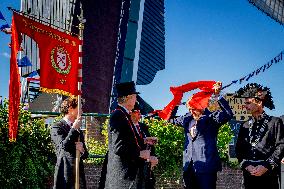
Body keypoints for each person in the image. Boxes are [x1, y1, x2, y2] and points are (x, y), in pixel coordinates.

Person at [168, 82, 234, 189]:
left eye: (193, 108)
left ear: (201, 106)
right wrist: (176, 101)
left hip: (207, 169)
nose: (191, 111)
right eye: (189, 108)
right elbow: (170, 118)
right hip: (188, 168)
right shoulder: (186, 119)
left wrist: (218, 95)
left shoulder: (212, 118)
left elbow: (228, 114)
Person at [235, 83, 284, 189]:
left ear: (258, 102)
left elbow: (281, 146)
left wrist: (266, 166)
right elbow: (239, 150)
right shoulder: (245, 125)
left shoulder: (275, 122)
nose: (245, 106)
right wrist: (247, 166)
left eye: (248, 103)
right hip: (249, 175)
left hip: (269, 175)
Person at [105, 81, 151, 189]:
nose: (136, 100)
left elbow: (128, 140)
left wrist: (143, 141)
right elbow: (118, 147)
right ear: (129, 98)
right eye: (135, 97)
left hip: (127, 175)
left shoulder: (124, 115)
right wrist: (140, 153)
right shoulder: (118, 116)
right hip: (123, 176)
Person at [50, 97, 88, 189]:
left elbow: (86, 154)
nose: (82, 111)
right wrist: (74, 129)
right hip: (64, 173)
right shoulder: (56, 127)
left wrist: (82, 150)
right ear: (71, 109)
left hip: (78, 174)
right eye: (80, 108)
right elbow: (63, 146)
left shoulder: (78, 129)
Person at [130, 102, 158, 189]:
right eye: (137, 111)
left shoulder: (143, 126)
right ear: (130, 113)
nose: (139, 114)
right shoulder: (126, 126)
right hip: (132, 167)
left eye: (140, 111)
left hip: (145, 167)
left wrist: (153, 156)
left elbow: (150, 145)